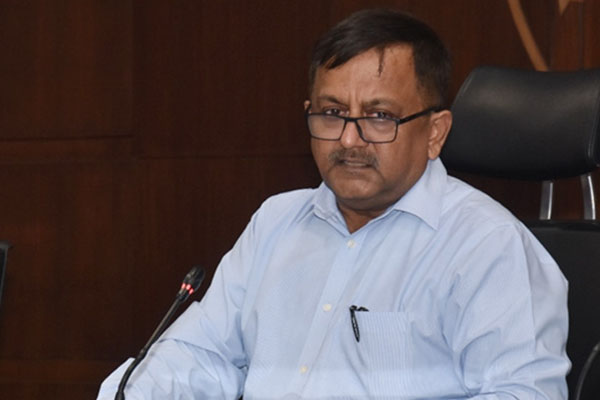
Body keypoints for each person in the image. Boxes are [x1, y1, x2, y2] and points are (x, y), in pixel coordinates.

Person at [98, 9, 569, 399]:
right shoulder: (276, 223)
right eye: (332, 113)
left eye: (379, 116)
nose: (348, 139)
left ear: (435, 132)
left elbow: (523, 393)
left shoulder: (487, 246)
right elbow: (202, 355)